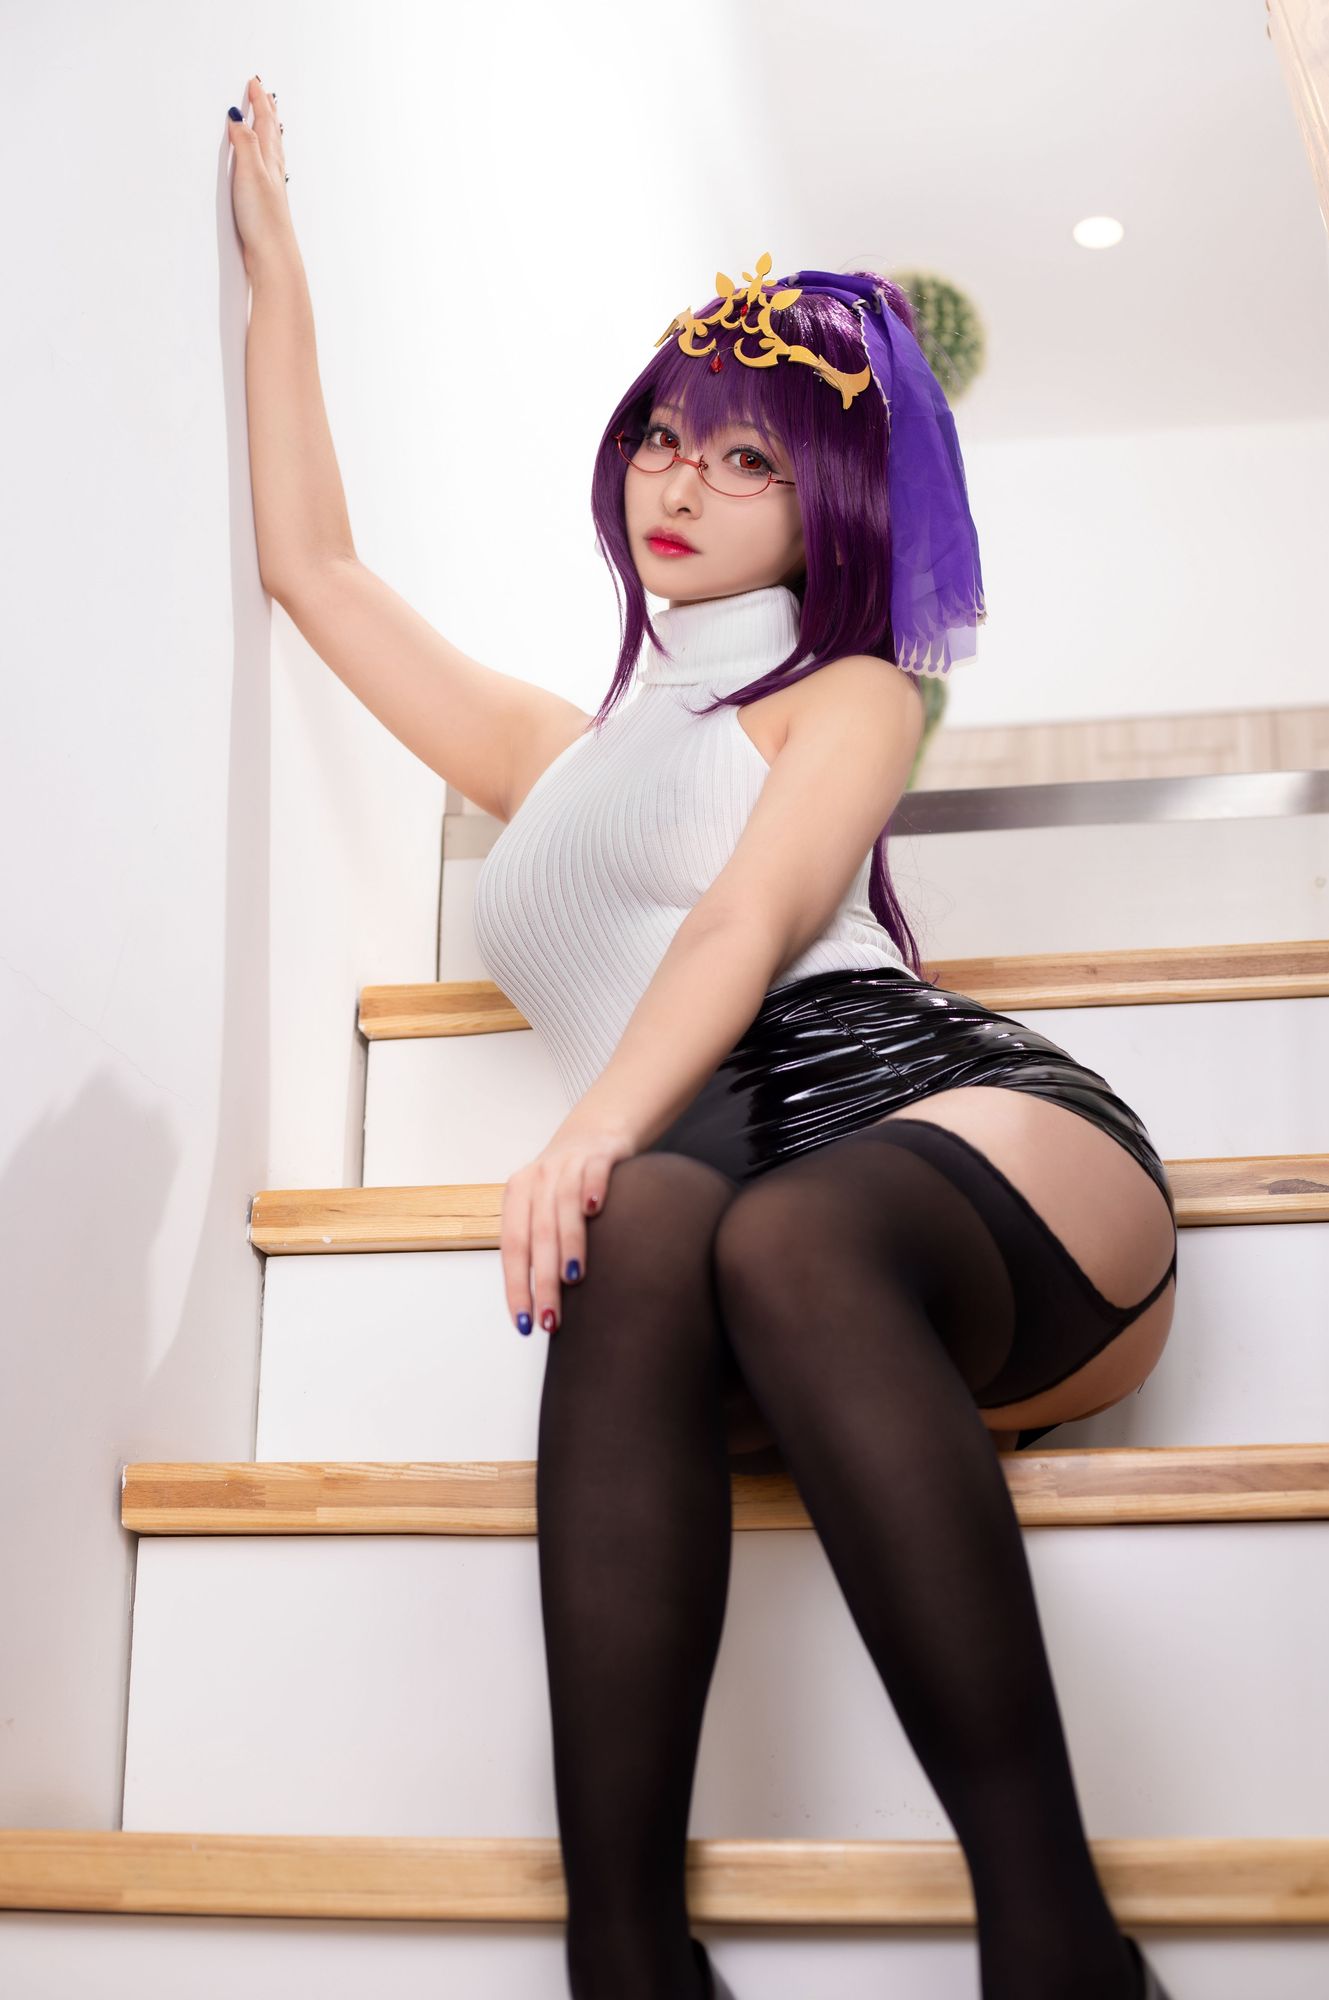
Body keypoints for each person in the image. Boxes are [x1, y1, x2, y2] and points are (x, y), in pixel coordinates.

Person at [227, 89, 1175, 2000]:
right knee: (664, 1226)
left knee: (748, 1224)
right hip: (724, 1226)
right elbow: (315, 572)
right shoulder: (556, 756)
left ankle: (1056, 1948)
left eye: (747, 459)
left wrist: (583, 1127)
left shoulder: (848, 692)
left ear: (826, 504)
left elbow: (746, 924)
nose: (681, 479)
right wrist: (278, 266)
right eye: (665, 436)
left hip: (952, 1146)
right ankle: (628, 1961)